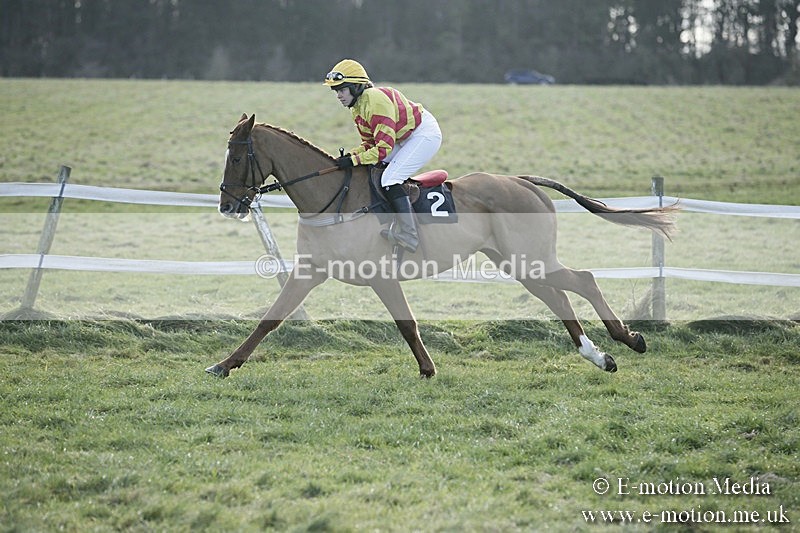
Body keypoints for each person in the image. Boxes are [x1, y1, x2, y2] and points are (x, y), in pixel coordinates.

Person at [323, 59, 442, 253]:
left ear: (356, 87)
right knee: (372, 168)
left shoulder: (374, 101)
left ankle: (410, 235)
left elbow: (382, 150)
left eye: (342, 90)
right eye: (336, 91)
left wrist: (353, 160)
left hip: (424, 134)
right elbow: (369, 145)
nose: (338, 95)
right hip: (403, 136)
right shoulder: (357, 108)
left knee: (390, 178)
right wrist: (349, 158)